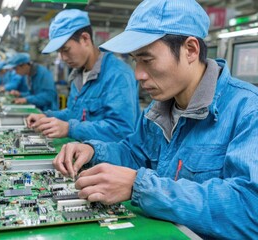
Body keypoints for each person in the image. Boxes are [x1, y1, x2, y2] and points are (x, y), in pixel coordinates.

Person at [52, 0, 258, 239]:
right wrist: (92, 151)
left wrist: (139, 186)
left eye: (147, 60)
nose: (138, 74)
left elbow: (249, 209)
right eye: (135, 60)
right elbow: (135, 153)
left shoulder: (247, 110)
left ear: (190, 50)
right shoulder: (158, 108)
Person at [27, 9, 140, 142]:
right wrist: (47, 116)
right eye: (59, 52)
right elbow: (74, 113)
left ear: (85, 39)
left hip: (108, 161)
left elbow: (121, 129)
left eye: (66, 50)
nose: (63, 57)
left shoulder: (118, 74)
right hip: (81, 154)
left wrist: (70, 129)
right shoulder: (78, 76)